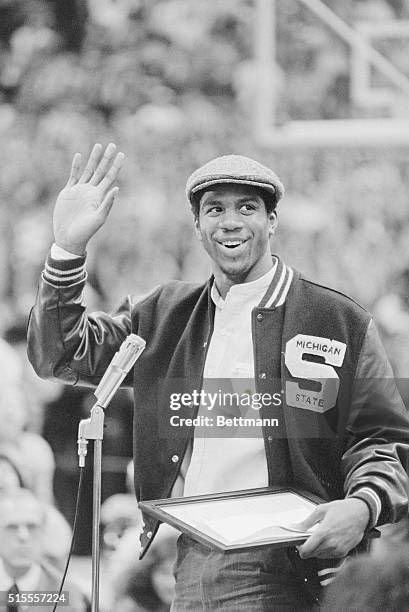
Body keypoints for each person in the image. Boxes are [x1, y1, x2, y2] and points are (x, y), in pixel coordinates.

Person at [27, 143, 409, 610]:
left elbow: (384, 438)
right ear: (198, 227)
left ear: (272, 220)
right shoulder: (163, 316)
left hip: (296, 562)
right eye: (215, 209)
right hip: (188, 558)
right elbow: (60, 354)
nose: (230, 221)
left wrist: (363, 505)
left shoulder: (337, 319)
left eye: (247, 207)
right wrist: (67, 248)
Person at [0, 489, 87, 612]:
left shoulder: (66, 594)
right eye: (12, 527)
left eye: (32, 527)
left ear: (43, 532)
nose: (23, 536)